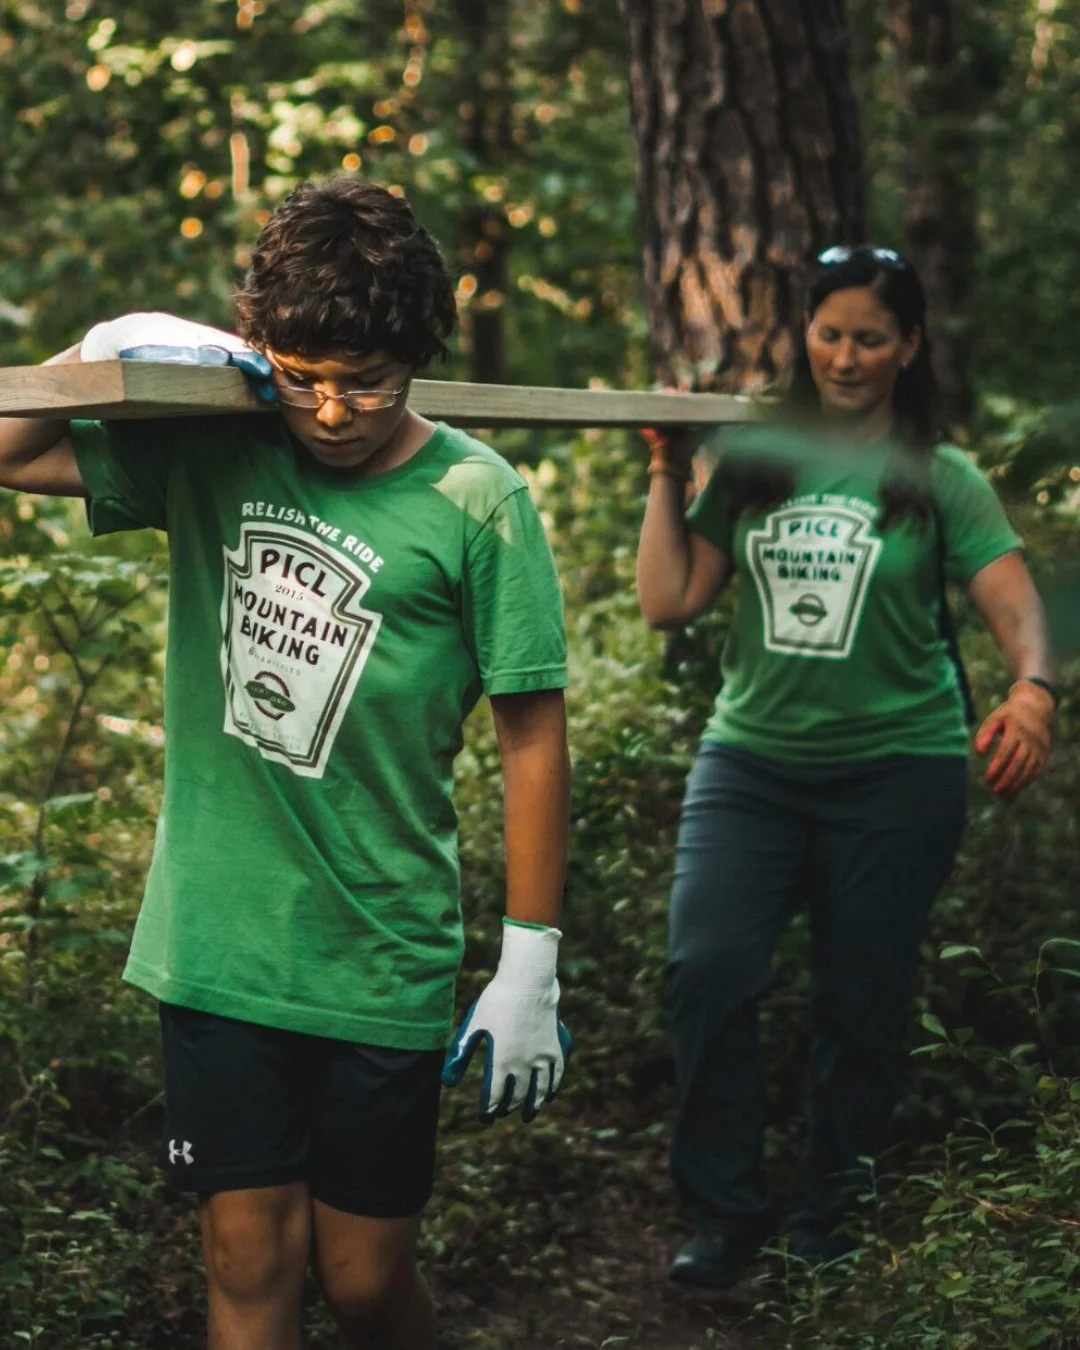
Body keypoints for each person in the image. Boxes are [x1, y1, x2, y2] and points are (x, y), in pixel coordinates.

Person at [0, 177, 572, 1350]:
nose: (330, 411)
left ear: (419, 352)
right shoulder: (215, 448)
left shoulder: (476, 499)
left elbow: (532, 732)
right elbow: (10, 451)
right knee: (246, 1263)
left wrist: (531, 962)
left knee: (364, 1284)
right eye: (303, 376)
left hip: (378, 946)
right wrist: (105, 344)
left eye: (366, 380)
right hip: (222, 939)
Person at [636, 245, 1058, 1289]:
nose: (847, 355)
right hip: (752, 767)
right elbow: (671, 599)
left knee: (860, 1001)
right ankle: (724, 1214)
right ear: (805, 337)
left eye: (872, 337)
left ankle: (831, 1220)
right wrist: (663, 468)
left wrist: (1033, 689)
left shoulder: (937, 474)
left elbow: (1012, 606)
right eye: (830, 333)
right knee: (707, 970)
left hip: (897, 776)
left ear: (909, 347)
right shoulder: (760, 459)